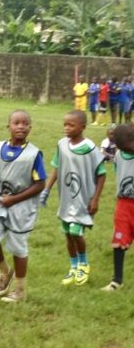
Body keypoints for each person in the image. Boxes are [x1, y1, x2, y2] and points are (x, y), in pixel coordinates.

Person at [0, 110, 46, 303]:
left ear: (30, 128)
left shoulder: (33, 154)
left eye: (25, 123)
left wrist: (14, 199)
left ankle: (20, 290)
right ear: (8, 126)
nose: (21, 126)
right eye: (16, 123)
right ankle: (5, 272)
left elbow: (40, 184)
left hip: (21, 209)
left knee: (18, 249)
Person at [40, 110, 106, 287]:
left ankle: (83, 264)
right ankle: (73, 267)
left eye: (71, 125)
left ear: (83, 127)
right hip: (66, 199)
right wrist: (46, 190)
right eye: (65, 124)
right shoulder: (62, 144)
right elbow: (56, 167)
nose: (66, 128)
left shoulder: (90, 148)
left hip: (83, 200)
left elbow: (101, 174)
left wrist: (96, 199)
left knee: (76, 232)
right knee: (67, 234)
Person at [102, 123, 134, 291]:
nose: (129, 151)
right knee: (119, 240)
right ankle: (117, 280)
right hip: (123, 204)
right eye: (124, 148)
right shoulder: (120, 155)